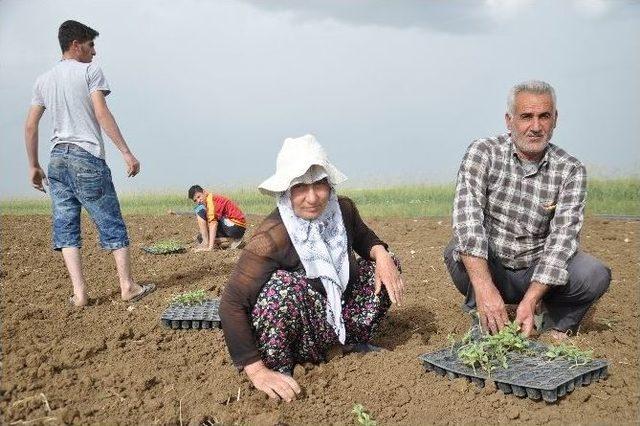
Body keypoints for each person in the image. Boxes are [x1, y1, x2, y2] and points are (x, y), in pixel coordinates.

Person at [219, 135, 404, 401]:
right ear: (286, 190)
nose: (313, 197)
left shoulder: (342, 210)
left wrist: (381, 254)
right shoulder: (271, 238)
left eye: (319, 185)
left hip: (339, 312)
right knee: (280, 289)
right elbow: (231, 303)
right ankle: (284, 367)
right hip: (302, 330)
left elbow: (363, 237)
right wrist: (256, 370)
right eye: (300, 188)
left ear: (329, 185)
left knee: (387, 263)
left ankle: (346, 343)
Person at [444, 80, 610, 339]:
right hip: (493, 266)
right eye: (526, 117)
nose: (535, 126)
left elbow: (562, 241)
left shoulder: (570, 170)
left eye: (544, 116)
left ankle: (553, 320)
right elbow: (468, 220)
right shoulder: (483, 152)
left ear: (555, 119)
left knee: (593, 274)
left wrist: (531, 298)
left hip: (537, 270)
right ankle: (482, 308)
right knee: (457, 247)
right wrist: (486, 287)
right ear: (509, 120)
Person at [24, 20, 155, 307]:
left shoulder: (43, 80)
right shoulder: (89, 71)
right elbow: (101, 112)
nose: (94, 52)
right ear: (76, 45)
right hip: (86, 156)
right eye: (91, 45)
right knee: (110, 221)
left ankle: (80, 294)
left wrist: (33, 165)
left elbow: (31, 125)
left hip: (57, 158)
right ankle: (128, 286)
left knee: (66, 225)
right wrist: (126, 152)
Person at [187, 185, 247, 251]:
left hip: (236, 225)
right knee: (201, 237)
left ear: (204, 192)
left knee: (199, 210)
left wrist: (209, 247)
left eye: (199, 197)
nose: (198, 201)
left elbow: (213, 224)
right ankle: (232, 241)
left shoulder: (211, 201)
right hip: (233, 227)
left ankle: (207, 243)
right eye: (195, 200)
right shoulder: (208, 202)